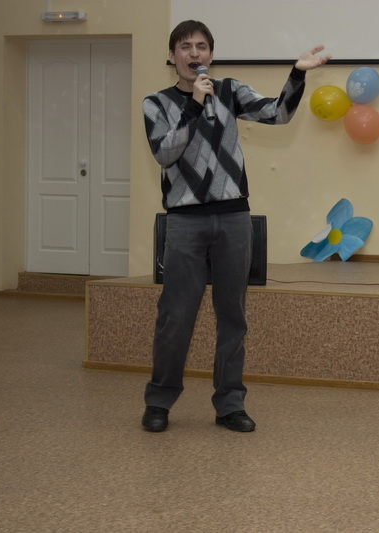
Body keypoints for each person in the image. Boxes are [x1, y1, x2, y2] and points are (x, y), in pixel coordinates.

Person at [140, 20, 330, 433]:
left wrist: (297, 73)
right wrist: (194, 105)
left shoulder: (229, 91)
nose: (194, 53)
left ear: (211, 54)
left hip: (234, 218)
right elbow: (165, 153)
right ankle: (159, 400)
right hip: (185, 221)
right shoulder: (156, 103)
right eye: (185, 47)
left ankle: (229, 404)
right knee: (175, 316)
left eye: (201, 46)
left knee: (233, 316)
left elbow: (278, 113)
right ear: (172, 55)